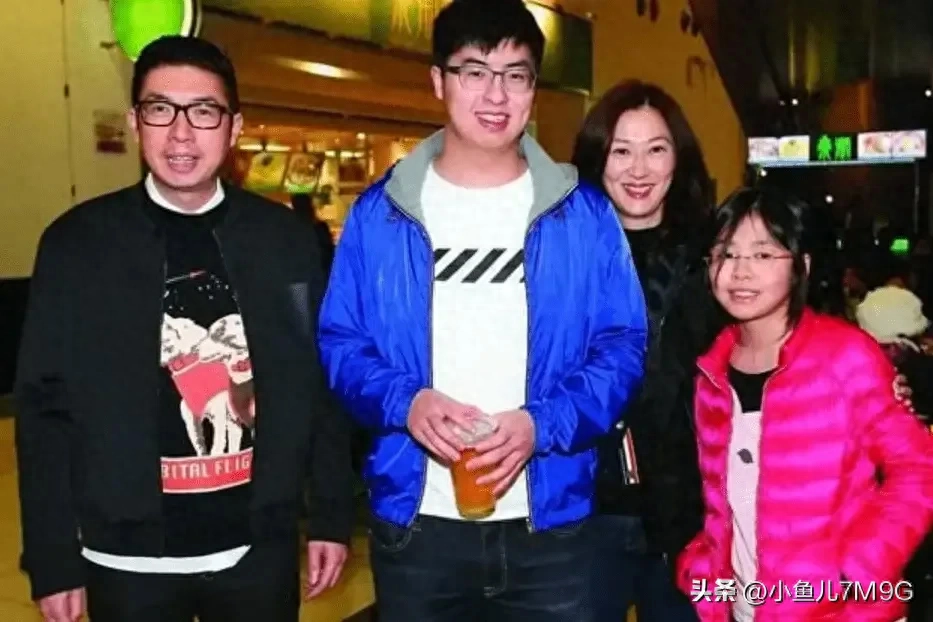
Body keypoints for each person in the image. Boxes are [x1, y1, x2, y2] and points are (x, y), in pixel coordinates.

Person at [317, 1, 648, 620]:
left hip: (552, 528)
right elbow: (341, 344)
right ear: (438, 80)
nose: (496, 94)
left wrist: (542, 425)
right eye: (474, 71)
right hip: (418, 527)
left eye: (515, 74)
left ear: (533, 87)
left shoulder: (582, 214)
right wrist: (406, 403)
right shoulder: (381, 214)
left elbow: (623, 346)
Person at [15, 36, 353, 622]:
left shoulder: (286, 245)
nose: (180, 133)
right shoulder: (77, 246)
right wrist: (52, 558)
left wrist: (330, 515)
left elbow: (316, 383)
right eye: (160, 109)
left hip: (256, 550)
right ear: (134, 121)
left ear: (234, 127)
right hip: (125, 559)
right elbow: (43, 411)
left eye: (203, 112)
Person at [677, 186, 933, 621]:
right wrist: (703, 567)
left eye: (763, 254)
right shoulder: (711, 373)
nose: (739, 271)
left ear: (802, 267)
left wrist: (859, 570)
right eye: (725, 254)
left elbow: (918, 470)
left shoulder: (847, 356)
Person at [571, 80, 715, 621]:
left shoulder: (713, 259)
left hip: (691, 517)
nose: (638, 169)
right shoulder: (563, 254)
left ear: (679, 159)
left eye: (656, 149)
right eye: (620, 151)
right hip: (585, 512)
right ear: (597, 158)